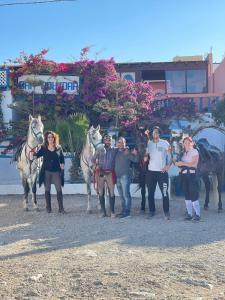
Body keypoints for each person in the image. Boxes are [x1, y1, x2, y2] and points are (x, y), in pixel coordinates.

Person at [33, 131, 65, 213]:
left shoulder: (58, 148)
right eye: (49, 137)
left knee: (59, 189)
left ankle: (61, 208)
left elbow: (62, 158)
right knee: (47, 189)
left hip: (56, 171)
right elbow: (36, 155)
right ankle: (48, 208)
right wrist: (33, 154)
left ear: (54, 138)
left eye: (52, 137)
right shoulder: (43, 148)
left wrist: (62, 164)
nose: (50, 138)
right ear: (46, 139)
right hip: (46, 171)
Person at [144, 126, 172, 220]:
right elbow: (146, 157)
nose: (155, 134)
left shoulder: (165, 143)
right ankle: (152, 211)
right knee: (150, 193)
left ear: (159, 133)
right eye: (153, 132)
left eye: (156, 132)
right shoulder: (149, 143)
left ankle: (166, 212)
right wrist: (145, 158)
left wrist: (167, 167)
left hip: (162, 173)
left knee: (164, 193)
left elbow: (171, 157)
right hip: (151, 172)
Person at [175, 136, 200, 221]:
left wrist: (182, 163)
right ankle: (189, 214)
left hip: (192, 175)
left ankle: (197, 214)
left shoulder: (194, 151)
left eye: (188, 142)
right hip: (184, 176)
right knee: (187, 195)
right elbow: (182, 165)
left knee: (194, 195)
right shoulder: (183, 153)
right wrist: (178, 164)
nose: (186, 144)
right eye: (184, 142)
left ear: (191, 143)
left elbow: (194, 165)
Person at [93, 135, 118, 217]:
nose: (108, 141)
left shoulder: (115, 150)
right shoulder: (99, 149)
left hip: (110, 173)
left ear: (111, 141)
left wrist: (127, 148)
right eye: (106, 140)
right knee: (101, 192)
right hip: (100, 173)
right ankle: (103, 212)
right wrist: (95, 166)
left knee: (112, 192)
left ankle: (112, 211)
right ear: (104, 141)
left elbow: (122, 149)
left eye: (109, 140)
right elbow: (92, 159)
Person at [115, 137, 139, 218]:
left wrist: (135, 154)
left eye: (122, 142)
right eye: (119, 142)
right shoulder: (116, 152)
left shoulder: (127, 152)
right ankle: (123, 211)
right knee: (121, 196)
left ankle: (127, 213)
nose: (121, 144)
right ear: (117, 143)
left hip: (125, 176)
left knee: (126, 195)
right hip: (117, 177)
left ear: (125, 143)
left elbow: (136, 160)